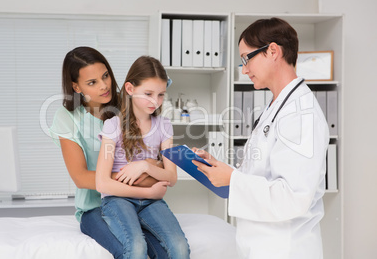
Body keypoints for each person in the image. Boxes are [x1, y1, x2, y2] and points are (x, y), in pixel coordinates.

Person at [192, 18, 330, 259]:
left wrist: (233, 179)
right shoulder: (276, 107)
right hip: (260, 245)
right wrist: (222, 172)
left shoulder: (300, 114)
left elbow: (293, 197)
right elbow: (263, 174)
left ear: (273, 51)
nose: (244, 69)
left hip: (285, 249)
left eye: (247, 58)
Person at [49, 46, 168, 259]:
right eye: (92, 82)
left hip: (139, 202)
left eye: (106, 76)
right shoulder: (67, 118)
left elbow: (160, 161)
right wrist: (132, 178)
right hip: (95, 207)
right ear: (76, 87)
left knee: (167, 251)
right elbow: (81, 177)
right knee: (131, 250)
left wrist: (148, 167)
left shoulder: (130, 102)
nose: (104, 86)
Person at [95, 55, 190, 259]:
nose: (155, 101)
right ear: (130, 89)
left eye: (161, 95)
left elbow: (171, 177)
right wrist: (148, 192)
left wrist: (144, 166)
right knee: (137, 247)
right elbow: (102, 183)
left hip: (151, 202)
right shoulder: (113, 125)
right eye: (148, 93)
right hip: (119, 200)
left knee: (179, 247)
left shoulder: (164, 125)